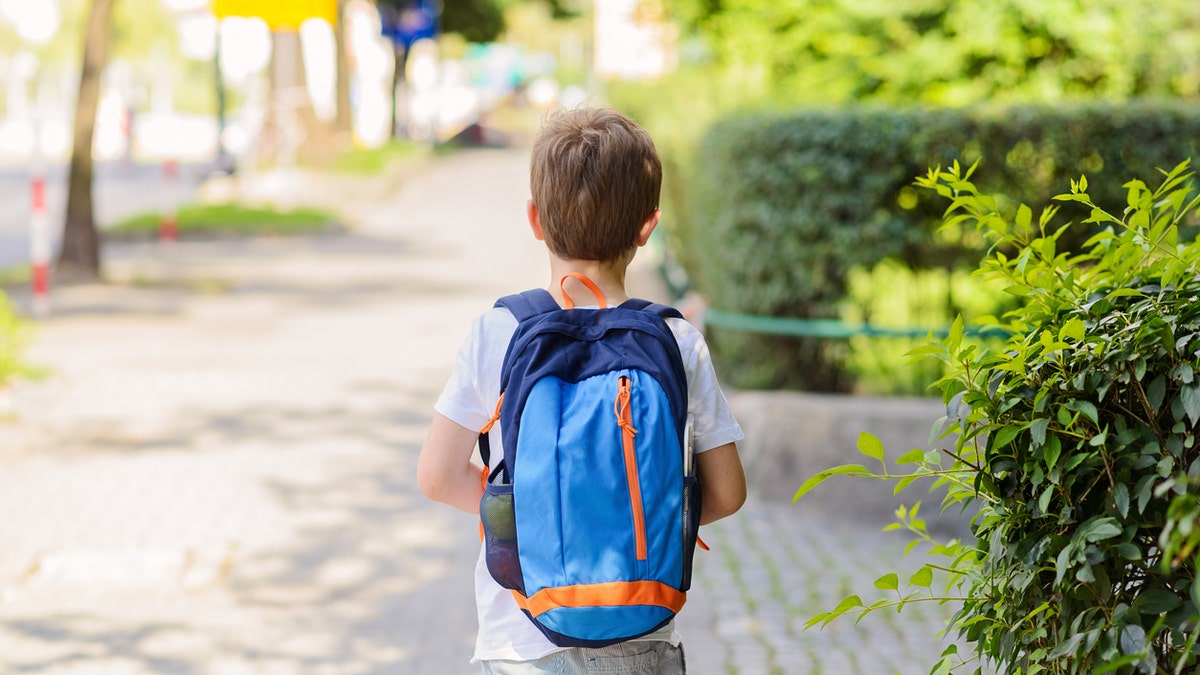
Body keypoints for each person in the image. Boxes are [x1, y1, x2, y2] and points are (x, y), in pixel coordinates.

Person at [418, 107, 747, 674]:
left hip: (520, 638)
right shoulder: (676, 339)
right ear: (649, 226)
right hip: (642, 627)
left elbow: (438, 476)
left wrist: (542, 519)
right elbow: (726, 494)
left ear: (535, 220)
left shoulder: (499, 331)